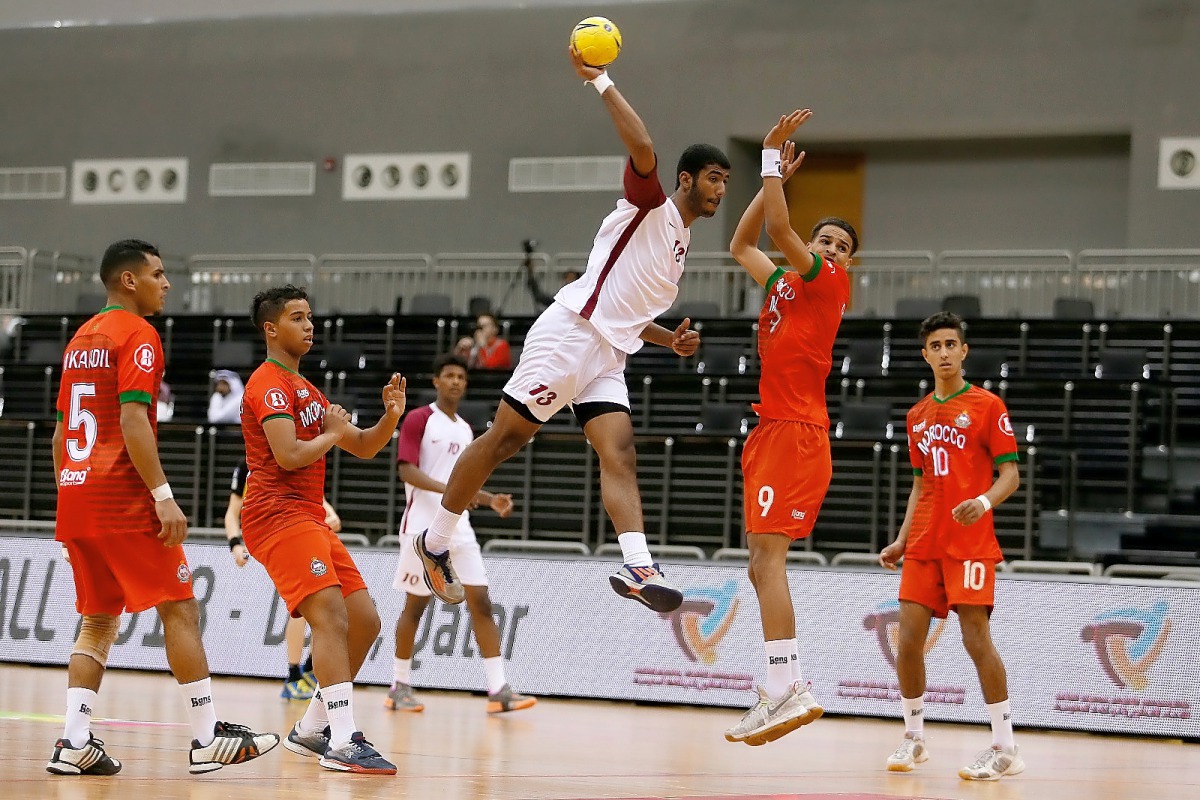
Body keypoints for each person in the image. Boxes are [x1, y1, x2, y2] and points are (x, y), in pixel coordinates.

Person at [413, 48, 720, 614]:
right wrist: (601, 80)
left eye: (726, 179)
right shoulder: (651, 205)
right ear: (686, 179)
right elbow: (644, 148)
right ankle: (433, 543)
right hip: (570, 333)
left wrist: (666, 340)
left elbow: (626, 311)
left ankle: (636, 565)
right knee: (507, 439)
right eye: (714, 177)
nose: (721, 188)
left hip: (608, 352)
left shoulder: (680, 246)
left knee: (621, 452)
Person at [47, 239, 278, 776]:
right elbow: (132, 423)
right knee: (179, 606)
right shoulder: (139, 334)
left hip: (78, 499)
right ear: (129, 281)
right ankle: (205, 738)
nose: (166, 283)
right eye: (157, 273)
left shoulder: (79, 339)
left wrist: (72, 500)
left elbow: (61, 436)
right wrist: (163, 497)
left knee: (98, 620)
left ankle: (74, 740)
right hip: (122, 501)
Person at [724, 111, 855, 746]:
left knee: (767, 561)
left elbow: (778, 227)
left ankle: (791, 686)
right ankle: (778, 687)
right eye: (823, 238)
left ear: (846, 262)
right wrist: (768, 179)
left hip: (797, 431)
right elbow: (744, 244)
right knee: (759, 564)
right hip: (774, 429)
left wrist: (771, 157)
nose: (829, 248)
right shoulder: (780, 282)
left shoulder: (828, 283)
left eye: (840, 245)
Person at [241, 284, 405, 775]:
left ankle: (312, 729)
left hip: (308, 516)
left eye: (310, 316)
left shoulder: (310, 391)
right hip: (275, 514)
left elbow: (365, 446)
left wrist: (389, 418)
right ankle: (343, 739)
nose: (309, 325)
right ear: (271, 329)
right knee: (330, 618)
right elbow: (289, 456)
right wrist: (332, 434)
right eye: (297, 317)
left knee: (367, 621)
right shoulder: (268, 384)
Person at [878, 311, 1023, 781]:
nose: (943, 352)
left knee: (975, 638)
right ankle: (914, 737)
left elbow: (1011, 476)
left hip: (971, 543)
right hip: (924, 542)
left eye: (950, 345)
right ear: (925, 355)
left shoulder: (987, 405)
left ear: (964, 351)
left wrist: (982, 502)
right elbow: (919, 485)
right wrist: (901, 540)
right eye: (935, 346)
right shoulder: (916, 415)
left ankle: (1005, 747)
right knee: (907, 641)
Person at [385, 353, 535, 714]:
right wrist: (452, 493)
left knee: (481, 600)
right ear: (436, 381)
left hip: (459, 525)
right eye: (449, 375)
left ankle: (498, 689)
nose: (455, 381)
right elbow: (407, 471)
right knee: (416, 606)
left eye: (461, 377)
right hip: (422, 524)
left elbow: (463, 481)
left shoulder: (467, 429)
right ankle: (399, 684)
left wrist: (487, 498)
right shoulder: (419, 419)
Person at [223, 457, 344, 700]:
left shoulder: (296, 461)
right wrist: (236, 545)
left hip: (303, 537)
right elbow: (232, 514)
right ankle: (294, 674)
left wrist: (329, 519)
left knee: (323, 607)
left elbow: (332, 517)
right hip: (274, 538)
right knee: (302, 607)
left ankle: (309, 670)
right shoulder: (248, 466)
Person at [523, 239, 582, 312]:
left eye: (571, 278)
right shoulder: (560, 299)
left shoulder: (581, 299)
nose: (568, 281)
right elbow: (540, 297)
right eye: (567, 278)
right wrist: (530, 273)